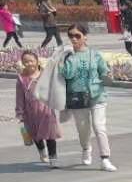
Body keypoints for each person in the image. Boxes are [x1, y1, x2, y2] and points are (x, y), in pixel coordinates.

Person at [58, 25, 117, 172]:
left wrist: (107, 75)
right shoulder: (68, 56)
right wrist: (69, 57)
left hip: (97, 95)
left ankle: (105, 159)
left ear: (85, 37)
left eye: (77, 36)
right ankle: (86, 148)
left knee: (99, 126)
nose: (74, 39)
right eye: (71, 36)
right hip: (77, 96)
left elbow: (103, 70)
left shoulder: (94, 54)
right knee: (83, 129)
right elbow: (67, 74)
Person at [14, 49, 62, 166]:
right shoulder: (21, 79)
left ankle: (53, 158)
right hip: (30, 112)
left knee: (50, 135)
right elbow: (19, 97)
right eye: (26, 61)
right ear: (22, 63)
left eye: (31, 61)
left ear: (37, 61)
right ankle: (42, 150)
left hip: (46, 110)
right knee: (35, 135)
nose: (29, 63)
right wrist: (19, 113)